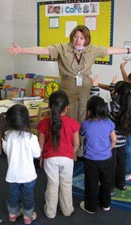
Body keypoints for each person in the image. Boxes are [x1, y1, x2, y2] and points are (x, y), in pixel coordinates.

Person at [7, 25, 131, 124]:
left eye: (82, 38)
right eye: (76, 37)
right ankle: (70, 150)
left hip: (85, 88)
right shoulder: (62, 48)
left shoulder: (92, 49)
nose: (78, 40)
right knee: (68, 117)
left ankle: (82, 149)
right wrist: (23, 50)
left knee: (85, 115)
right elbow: (43, 50)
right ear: (72, 37)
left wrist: (128, 50)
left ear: (86, 39)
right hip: (68, 87)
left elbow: (109, 50)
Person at [37, 90, 80, 219]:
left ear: (50, 107)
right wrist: (70, 154)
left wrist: (41, 157)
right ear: (67, 107)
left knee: (52, 185)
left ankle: (50, 212)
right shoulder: (73, 123)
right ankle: (67, 210)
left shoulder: (44, 123)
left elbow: (40, 143)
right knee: (66, 184)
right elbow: (77, 144)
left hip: (50, 159)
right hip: (67, 159)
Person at [94, 77, 131, 193]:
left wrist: (95, 87)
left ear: (117, 94)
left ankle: (110, 187)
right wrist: (113, 84)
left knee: (111, 166)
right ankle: (121, 183)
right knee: (121, 163)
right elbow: (118, 93)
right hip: (122, 141)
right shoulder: (129, 105)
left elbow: (97, 106)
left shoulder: (112, 106)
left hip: (111, 142)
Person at [0, 104, 41, 224]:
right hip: (28, 176)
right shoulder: (31, 138)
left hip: (13, 175)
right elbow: (37, 154)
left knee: (13, 195)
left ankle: (13, 214)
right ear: (26, 121)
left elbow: (7, 151)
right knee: (28, 196)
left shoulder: (6, 136)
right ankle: (28, 217)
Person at [79, 95, 117, 214]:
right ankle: (106, 204)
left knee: (91, 183)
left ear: (89, 111)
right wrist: (108, 150)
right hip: (106, 158)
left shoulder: (85, 124)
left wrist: (86, 118)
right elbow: (114, 140)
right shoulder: (109, 123)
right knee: (106, 182)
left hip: (90, 159)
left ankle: (90, 207)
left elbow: (82, 134)